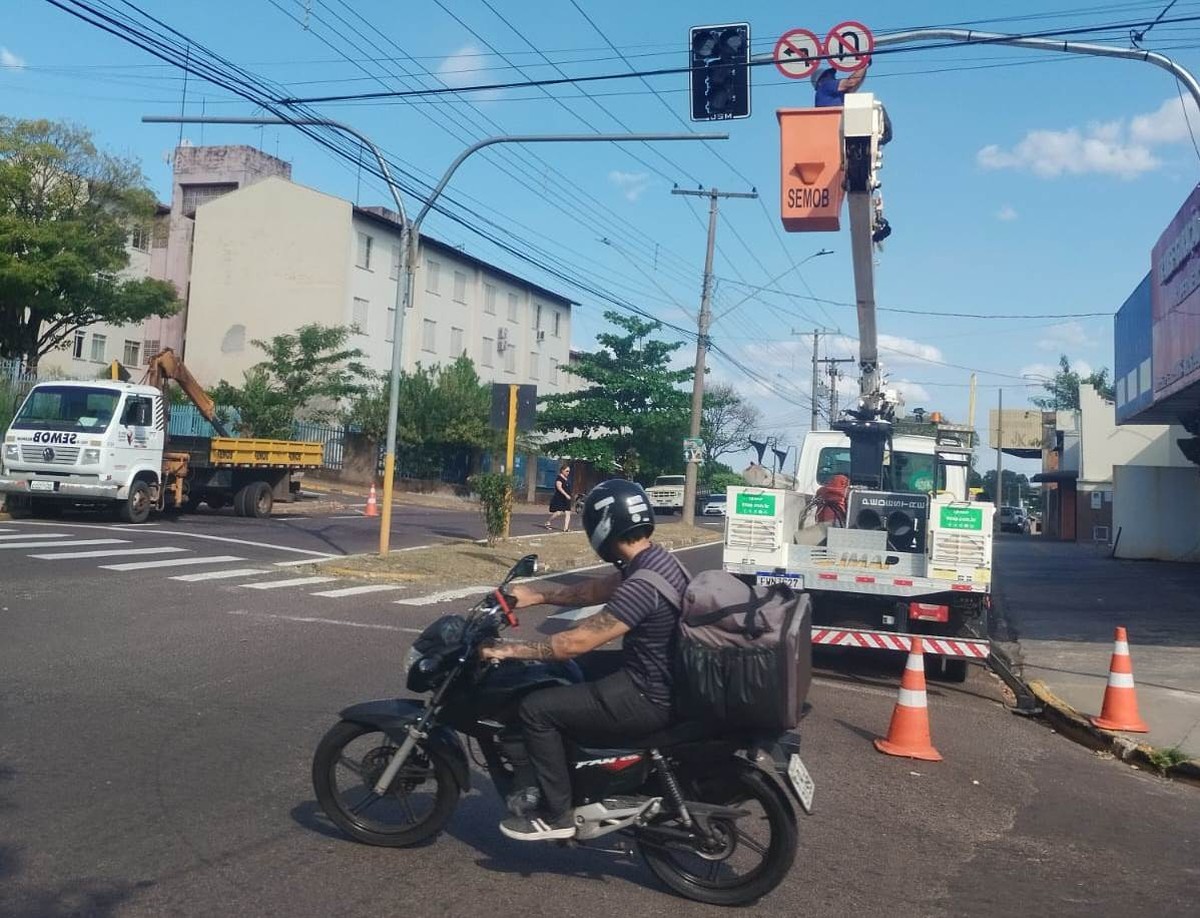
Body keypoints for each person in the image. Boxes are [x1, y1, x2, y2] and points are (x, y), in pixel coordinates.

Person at [480, 479, 688, 841]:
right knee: (561, 674)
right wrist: (533, 595)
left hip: (647, 694)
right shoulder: (652, 561)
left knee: (536, 708)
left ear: (604, 525)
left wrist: (506, 649)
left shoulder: (642, 585)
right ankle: (578, 771)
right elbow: (589, 591)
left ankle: (557, 812)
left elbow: (572, 644)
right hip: (657, 674)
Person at [543, 462, 573, 532]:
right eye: (567, 471)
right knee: (558, 512)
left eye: (569, 471)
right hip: (560, 498)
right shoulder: (559, 478)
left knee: (568, 513)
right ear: (562, 470)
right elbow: (559, 488)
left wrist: (568, 495)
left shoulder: (566, 479)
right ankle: (548, 522)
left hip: (567, 498)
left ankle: (566, 528)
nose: (568, 473)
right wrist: (566, 495)